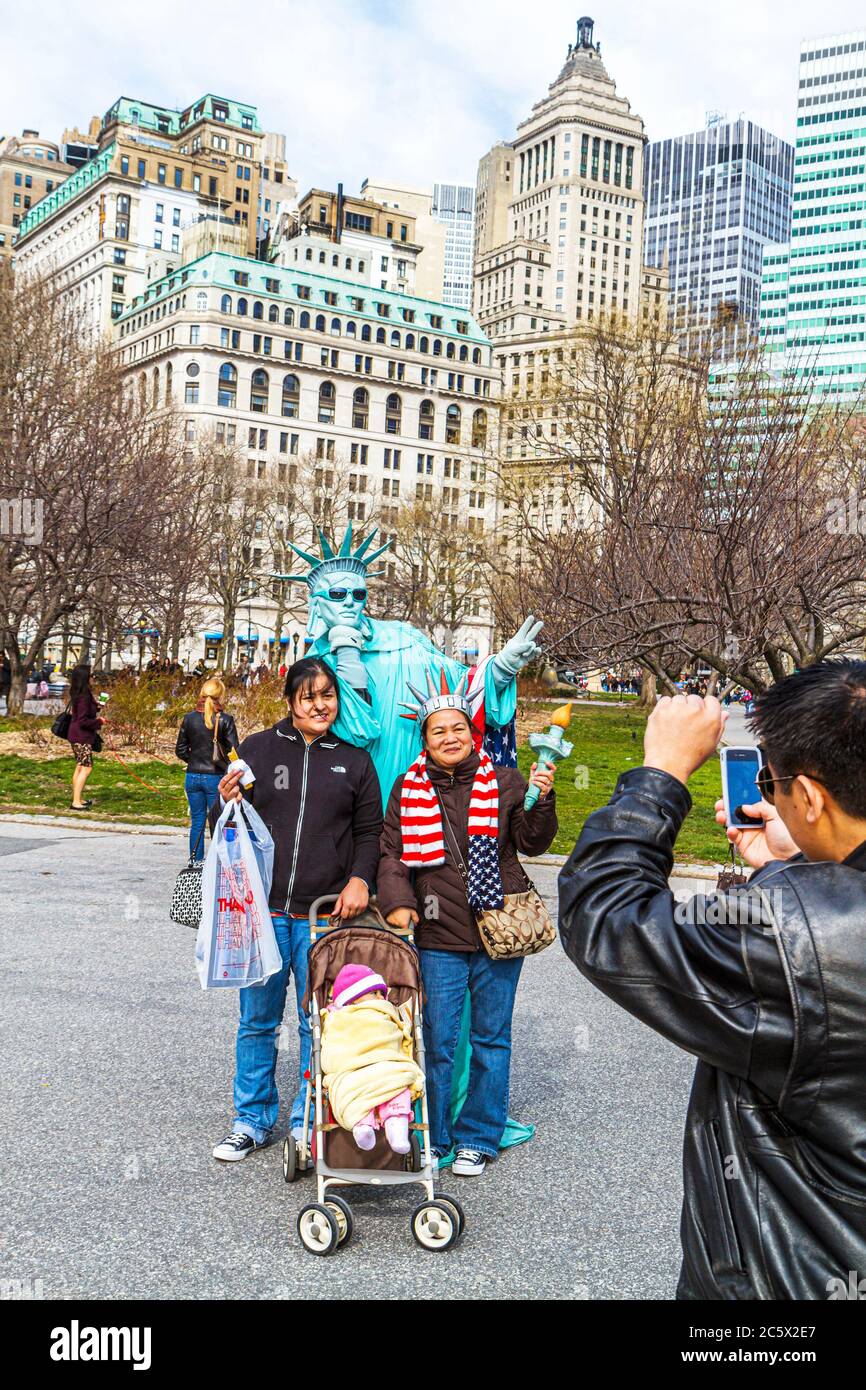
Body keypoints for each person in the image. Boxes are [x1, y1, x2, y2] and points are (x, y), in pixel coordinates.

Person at [558, 662, 866, 1300]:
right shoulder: (800, 914)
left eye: (770, 781)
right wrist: (797, 868)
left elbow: (605, 917)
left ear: (809, 797)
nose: (768, 794)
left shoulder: (787, 933)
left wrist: (660, 774)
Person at [377, 670, 558, 1176]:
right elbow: (392, 853)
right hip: (438, 934)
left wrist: (541, 800)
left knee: (491, 1037)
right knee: (436, 1040)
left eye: (458, 728)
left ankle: (480, 1136)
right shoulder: (407, 788)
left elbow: (532, 841)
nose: (450, 738)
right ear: (425, 739)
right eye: (439, 731)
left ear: (472, 734)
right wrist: (398, 902)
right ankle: (436, 1135)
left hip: (499, 927)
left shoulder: (504, 782)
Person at [210, 656, 383, 1163]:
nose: (319, 704)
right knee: (257, 1021)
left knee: (318, 1023)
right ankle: (252, 1120)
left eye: (327, 695)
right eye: (308, 696)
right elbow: (232, 824)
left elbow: (370, 833)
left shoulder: (354, 761)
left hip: (323, 916)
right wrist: (226, 800)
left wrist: (359, 879)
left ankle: (310, 1121)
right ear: (290, 700)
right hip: (262, 913)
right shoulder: (259, 750)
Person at [321, 963, 425, 1155]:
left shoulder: (386, 1013)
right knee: (354, 1087)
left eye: (381, 994)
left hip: (386, 1062)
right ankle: (362, 1126)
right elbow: (332, 1050)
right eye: (374, 993)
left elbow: (394, 1039)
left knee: (397, 1083)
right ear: (351, 999)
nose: (381, 998)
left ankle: (397, 1129)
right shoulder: (338, 1018)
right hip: (352, 1068)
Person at [175, 677, 240, 862]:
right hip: (215, 777)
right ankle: (217, 864)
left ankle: (195, 863)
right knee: (218, 822)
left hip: (193, 776)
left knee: (197, 822)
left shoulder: (189, 718)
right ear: (220, 695)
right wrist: (231, 768)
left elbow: (179, 750)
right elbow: (234, 751)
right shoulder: (226, 720)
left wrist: (194, 760)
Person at [67, 664, 105, 810]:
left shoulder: (82, 693)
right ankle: (76, 802)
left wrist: (97, 707)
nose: (93, 678)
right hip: (81, 736)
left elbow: (84, 712)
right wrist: (98, 722)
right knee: (86, 767)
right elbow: (82, 720)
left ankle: (78, 798)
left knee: (80, 766)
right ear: (85, 678)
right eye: (91, 675)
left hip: (77, 735)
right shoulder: (83, 696)